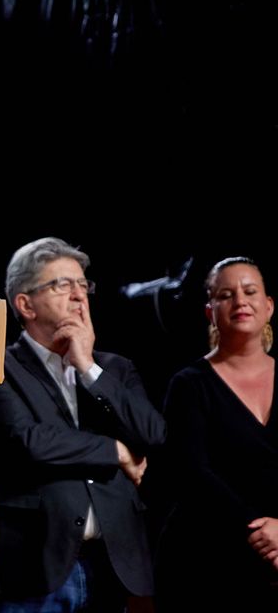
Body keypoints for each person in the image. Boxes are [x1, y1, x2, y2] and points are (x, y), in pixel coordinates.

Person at [0, 237, 164, 612]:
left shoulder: (114, 369)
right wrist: (114, 450)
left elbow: (153, 433)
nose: (79, 296)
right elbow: (29, 440)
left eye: (83, 285)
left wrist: (88, 368)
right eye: (62, 285)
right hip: (35, 566)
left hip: (113, 563)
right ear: (25, 304)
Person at [156, 257, 278, 609]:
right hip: (206, 561)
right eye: (226, 294)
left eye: (250, 291)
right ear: (210, 311)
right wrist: (263, 532)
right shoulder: (188, 385)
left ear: (268, 306)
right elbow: (192, 473)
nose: (240, 301)